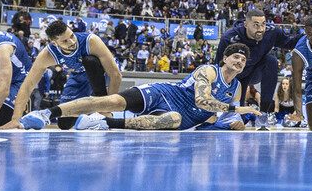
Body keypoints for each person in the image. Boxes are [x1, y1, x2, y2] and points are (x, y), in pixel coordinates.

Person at [51, 43, 262, 130]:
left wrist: (237, 123)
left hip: (180, 115)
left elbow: (228, 118)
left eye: (243, 60)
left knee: (173, 119)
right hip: (164, 93)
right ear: (224, 58)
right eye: (235, 57)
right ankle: (49, 113)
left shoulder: (236, 87)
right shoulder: (209, 70)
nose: (239, 62)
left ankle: (102, 123)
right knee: (112, 101)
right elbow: (202, 100)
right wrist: (237, 110)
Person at [7, 20, 123, 130]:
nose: (72, 42)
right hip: (78, 74)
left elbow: (115, 74)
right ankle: (90, 115)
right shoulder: (47, 55)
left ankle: (102, 111)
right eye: (65, 41)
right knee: (64, 124)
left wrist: (107, 109)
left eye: (72, 36)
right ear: (54, 43)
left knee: (90, 61)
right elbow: (28, 85)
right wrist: (15, 119)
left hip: (103, 71)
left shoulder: (91, 41)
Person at [214, 9, 302, 129]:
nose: (260, 29)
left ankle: (264, 114)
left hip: (255, 70)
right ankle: (228, 115)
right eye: (256, 25)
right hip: (237, 78)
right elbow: (218, 67)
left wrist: (307, 34)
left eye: (263, 24)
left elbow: (290, 43)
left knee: (271, 60)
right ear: (246, 24)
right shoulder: (229, 38)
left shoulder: (271, 32)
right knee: (237, 121)